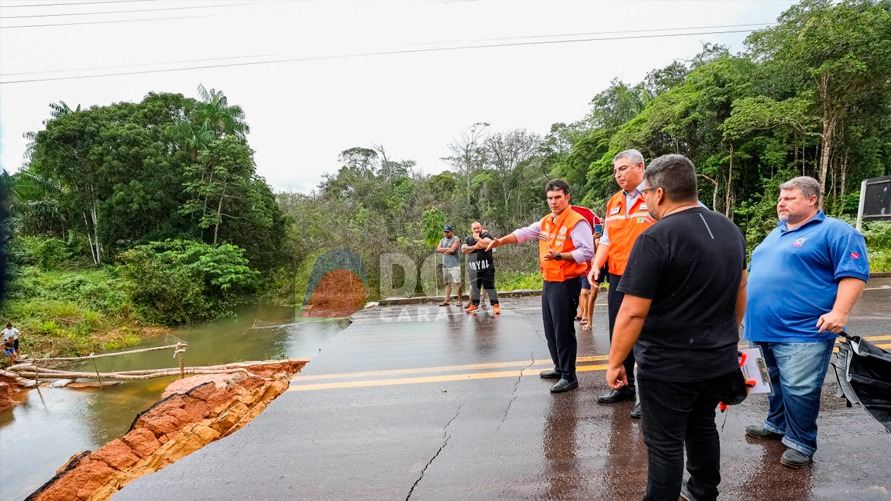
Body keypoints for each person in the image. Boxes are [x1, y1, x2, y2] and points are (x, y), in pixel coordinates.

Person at [606, 154, 749, 500]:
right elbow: (741, 288)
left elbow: (632, 313)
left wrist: (614, 363)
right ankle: (703, 492)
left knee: (665, 444)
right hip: (718, 359)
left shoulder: (656, 238)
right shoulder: (729, 229)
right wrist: (728, 332)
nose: (645, 201)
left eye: (647, 194)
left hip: (669, 365)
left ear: (659, 194)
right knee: (702, 425)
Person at [744, 176, 869, 469]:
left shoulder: (835, 231)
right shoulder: (774, 234)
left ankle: (801, 441)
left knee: (799, 388)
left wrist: (840, 312)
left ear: (812, 200)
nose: (781, 202)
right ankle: (776, 425)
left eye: (789, 198)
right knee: (767, 382)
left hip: (802, 330)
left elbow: (853, 272)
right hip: (759, 327)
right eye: (780, 198)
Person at [487, 179, 594, 393]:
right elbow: (524, 233)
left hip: (566, 282)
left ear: (567, 197)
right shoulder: (547, 221)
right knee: (550, 328)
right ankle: (559, 366)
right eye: (550, 198)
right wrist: (500, 241)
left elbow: (587, 251)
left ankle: (569, 375)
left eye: (557, 197)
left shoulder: (577, 221)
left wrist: (560, 255)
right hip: (550, 281)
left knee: (563, 330)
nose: (553, 202)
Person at [589, 148, 655, 418]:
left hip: (649, 275)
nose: (618, 175)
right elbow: (606, 239)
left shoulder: (655, 195)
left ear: (640, 166)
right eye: (616, 170)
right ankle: (623, 385)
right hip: (618, 275)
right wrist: (596, 264)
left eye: (623, 168)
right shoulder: (614, 201)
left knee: (645, 336)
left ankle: (645, 395)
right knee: (619, 331)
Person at [461, 221, 500, 314]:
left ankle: (495, 305)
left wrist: (478, 239)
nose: (476, 230)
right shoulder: (468, 239)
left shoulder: (487, 236)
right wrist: (476, 246)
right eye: (474, 228)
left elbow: (487, 245)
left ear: (481, 228)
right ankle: (474, 305)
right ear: (471, 229)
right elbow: (463, 249)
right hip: (474, 269)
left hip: (487, 268)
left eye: (478, 228)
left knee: (490, 286)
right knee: (475, 288)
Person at [435, 225, 462, 306]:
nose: (446, 233)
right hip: (445, 265)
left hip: (454, 265)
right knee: (447, 283)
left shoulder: (456, 239)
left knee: (457, 282)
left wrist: (445, 250)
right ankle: (447, 300)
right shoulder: (442, 240)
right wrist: (448, 249)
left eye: (448, 232)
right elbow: (438, 249)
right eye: (445, 232)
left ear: (451, 231)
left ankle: (459, 300)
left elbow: (453, 250)